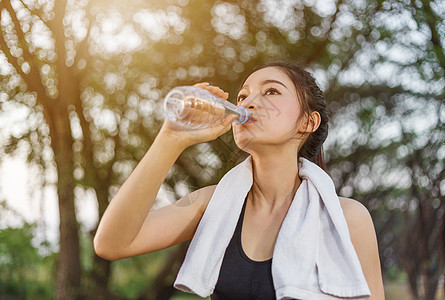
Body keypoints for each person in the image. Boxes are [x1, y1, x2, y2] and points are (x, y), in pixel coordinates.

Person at [94, 61, 385, 299]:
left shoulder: (348, 219)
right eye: (243, 97)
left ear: (308, 122)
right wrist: (171, 138)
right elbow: (112, 243)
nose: (249, 102)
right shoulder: (212, 203)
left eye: (270, 92)